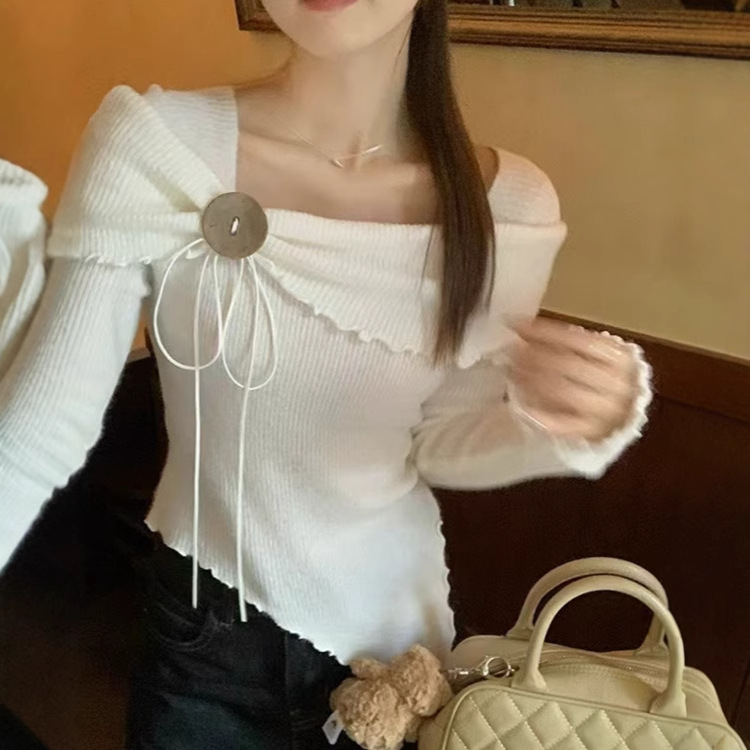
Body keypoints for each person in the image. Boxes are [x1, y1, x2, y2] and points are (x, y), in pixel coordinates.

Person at [0, 0, 651, 747]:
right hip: (204, 643)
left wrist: (557, 426)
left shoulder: (508, 204)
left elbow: (436, 443)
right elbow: (42, 429)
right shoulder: (157, 144)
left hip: (398, 656)